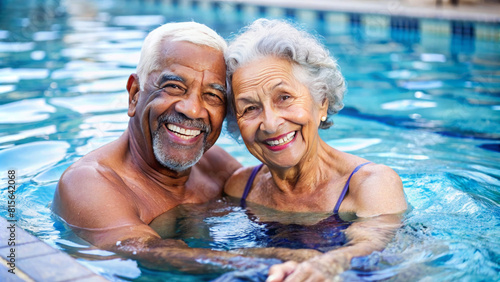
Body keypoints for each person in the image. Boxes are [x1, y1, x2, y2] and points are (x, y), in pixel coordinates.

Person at [52, 21, 261, 273]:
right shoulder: (88, 182)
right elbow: (148, 251)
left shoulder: (215, 165)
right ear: (134, 94)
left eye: (213, 96)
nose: (193, 109)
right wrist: (281, 263)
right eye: (173, 87)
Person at [223, 19, 408, 281]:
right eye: (250, 108)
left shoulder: (371, 184)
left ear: (322, 102)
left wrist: (327, 265)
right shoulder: (240, 188)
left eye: (284, 97)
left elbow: (373, 248)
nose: (271, 123)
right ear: (236, 123)